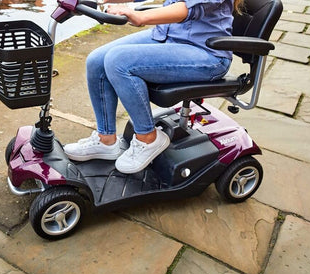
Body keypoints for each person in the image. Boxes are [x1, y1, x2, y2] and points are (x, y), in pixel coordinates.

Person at [64, 0, 243, 174]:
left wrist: (139, 16)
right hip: (169, 36)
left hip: (205, 53)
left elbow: (186, 9)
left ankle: (148, 138)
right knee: (97, 61)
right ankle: (106, 140)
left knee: (118, 61)